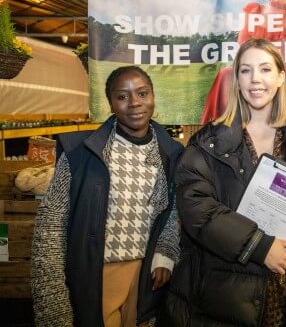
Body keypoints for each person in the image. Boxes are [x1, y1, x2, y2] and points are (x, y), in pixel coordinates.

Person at [161, 38, 286, 327]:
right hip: (228, 295)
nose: (256, 79)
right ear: (236, 79)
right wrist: (259, 246)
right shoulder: (208, 143)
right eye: (246, 70)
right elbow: (197, 209)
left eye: (265, 69)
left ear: (280, 76)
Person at [31, 66, 183, 326]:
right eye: (122, 97)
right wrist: (53, 303)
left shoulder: (172, 154)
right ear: (111, 104)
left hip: (146, 276)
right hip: (97, 272)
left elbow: (176, 208)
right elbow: (51, 224)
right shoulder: (81, 152)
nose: (134, 103)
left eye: (142, 93)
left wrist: (166, 250)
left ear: (153, 98)